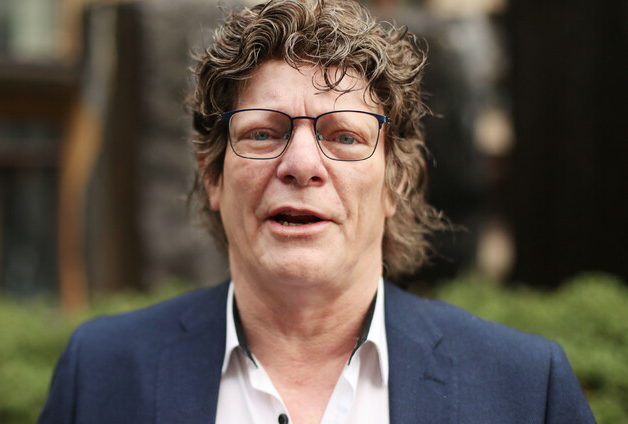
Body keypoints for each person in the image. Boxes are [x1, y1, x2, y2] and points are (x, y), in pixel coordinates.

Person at [38, 1, 595, 423]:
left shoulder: (525, 389)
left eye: (345, 136)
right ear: (212, 176)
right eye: (263, 133)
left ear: (395, 184)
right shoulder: (101, 374)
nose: (302, 165)